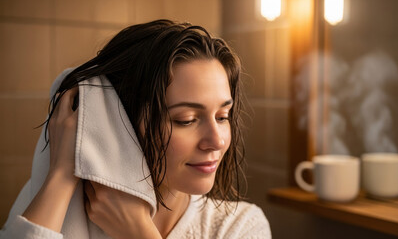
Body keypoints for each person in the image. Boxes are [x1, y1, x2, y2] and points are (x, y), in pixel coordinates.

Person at [0, 19, 271, 238]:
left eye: (223, 116)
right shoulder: (56, 207)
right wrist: (60, 174)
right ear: (123, 120)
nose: (216, 141)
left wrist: (137, 233)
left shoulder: (238, 227)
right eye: (186, 119)